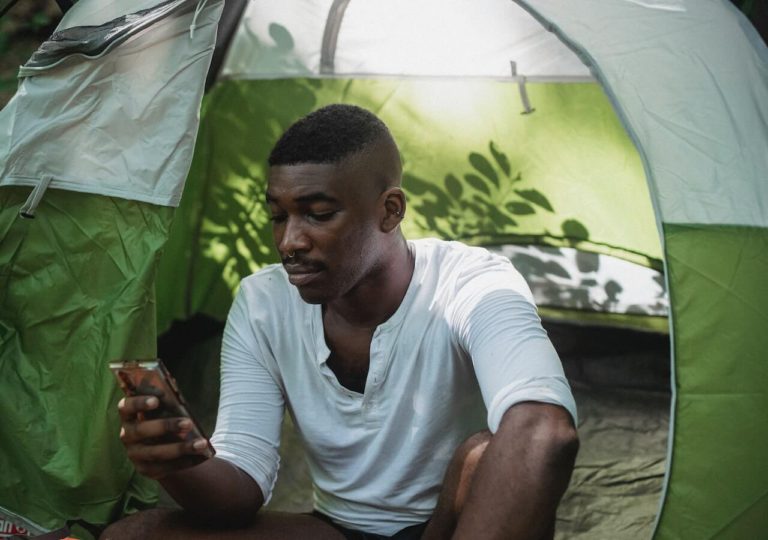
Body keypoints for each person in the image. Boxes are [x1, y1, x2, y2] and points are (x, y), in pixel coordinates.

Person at [102, 104, 579, 540]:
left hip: (452, 524)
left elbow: (545, 431)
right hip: (337, 530)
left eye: (318, 214)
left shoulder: (470, 284)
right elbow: (240, 491)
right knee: (133, 536)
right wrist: (177, 462)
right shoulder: (264, 303)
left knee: (484, 453)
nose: (290, 241)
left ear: (389, 211)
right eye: (276, 215)